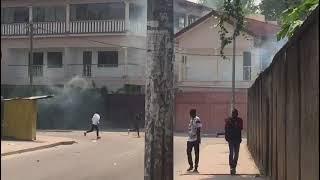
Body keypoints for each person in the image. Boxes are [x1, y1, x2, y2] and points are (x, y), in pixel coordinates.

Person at [225, 108, 243, 175]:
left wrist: (233, 124)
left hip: (237, 139)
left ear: (237, 114)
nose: (234, 115)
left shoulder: (240, 120)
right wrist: (226, 137)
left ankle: (234, 165)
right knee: (231, 153)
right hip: (231, 139)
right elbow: (226, 129)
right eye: (233, 113)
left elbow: (240, 128)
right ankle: (231, 167)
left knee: (236, 154)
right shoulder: (229, 120)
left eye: (235, 113)